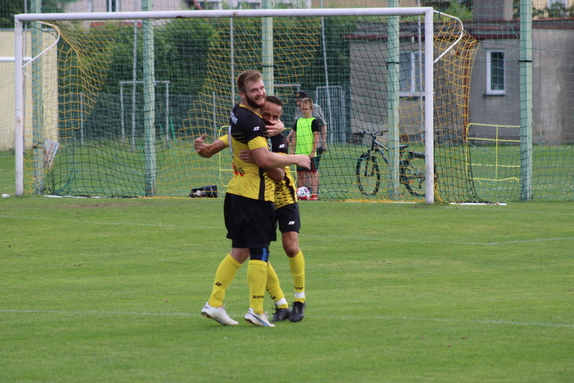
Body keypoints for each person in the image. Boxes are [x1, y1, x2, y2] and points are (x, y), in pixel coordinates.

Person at [197, 70, 310, 327]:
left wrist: (210, 149)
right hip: (255, 196)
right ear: (245, 95)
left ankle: (217, 303)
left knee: (247, 250)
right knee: (258, 251)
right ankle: (263, 308)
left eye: (276, 118)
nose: (271, 120)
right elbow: (268, 163)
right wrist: (291, 158)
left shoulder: (250, 120)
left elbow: (280, 177)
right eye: (267, 114)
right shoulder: (254, 124)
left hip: (271, 196)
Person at [288, 97, 321, 201]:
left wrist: (313, 151)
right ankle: (300, 193)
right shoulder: (298, 122)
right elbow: (295, 136)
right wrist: (292, 149)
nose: (304, 111)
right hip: (299, 153)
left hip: (309, 154)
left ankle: (314, 194)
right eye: (302, 109)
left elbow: (316, 137)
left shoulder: (314, 122)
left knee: (312, 174)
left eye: (306, 109)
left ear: (311, 110)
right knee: (300, 174)